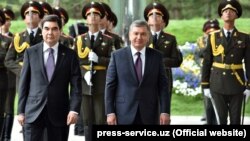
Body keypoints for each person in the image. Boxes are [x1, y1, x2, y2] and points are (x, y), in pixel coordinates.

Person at [17, 15, 82, 141]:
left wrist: (74, 110)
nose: (50, 33)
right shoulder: (31, 52)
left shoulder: (70, 55)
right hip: (33, 113)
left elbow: (76, 86)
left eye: (54, 29)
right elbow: (23, 83)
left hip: (60, 113)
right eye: (46, 29)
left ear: (60, 31)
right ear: (42, 31)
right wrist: (20, 111)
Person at [105, 20, 170, 125]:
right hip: (123, 112)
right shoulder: (117, 56)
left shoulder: (157, 56)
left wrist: (165, 111)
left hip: (150, 113)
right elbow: (110, 86)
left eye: (143, 34)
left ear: (148, 36)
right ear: (130, 35)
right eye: (136, 33)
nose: (139, 37)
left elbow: (163, 86)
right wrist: (110, 112)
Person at [201, 0, 250, 125]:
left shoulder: (244, 37)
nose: (228, 13)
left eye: (231, 11)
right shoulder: (213, 36)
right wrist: (205, 85)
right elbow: (207, 63)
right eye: (225, 11)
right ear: (221, 16)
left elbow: (249, 63)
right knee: (220, 121)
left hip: (236, 84)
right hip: (217, 84)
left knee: (236, 121)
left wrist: (249, 86)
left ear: (236, 15)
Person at [75, 2, 113, 141]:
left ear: (101, 18)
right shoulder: (79, 40)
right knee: (86, 120)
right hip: (85, 84)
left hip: (101, 83)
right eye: (89, 14)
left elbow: (113, 62)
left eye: (96, 14)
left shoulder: (108, 40)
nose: (92, 17)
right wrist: (84, 73)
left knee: (100, 118)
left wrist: (99, 59)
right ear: (86, 18)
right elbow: (74, 63)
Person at [144, 2, 183, 100]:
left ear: (163, 20)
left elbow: (177, 61)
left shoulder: (170, 39)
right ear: (147, 21)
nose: (154, 17)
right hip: (145, 79)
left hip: (164, 79)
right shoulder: (142, 37)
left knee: (163, 111)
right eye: (151, 15)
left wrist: (158, 61)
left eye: (158, 15)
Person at [196, 19, 220, 125]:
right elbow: (201, 53)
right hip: (205, 70)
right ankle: (208, 117)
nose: (211, 33)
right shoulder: (201, 40)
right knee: (206, 96)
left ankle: (216, 118)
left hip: (218, 71)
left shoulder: (221, 39)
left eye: (214, 31)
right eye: (208, 31)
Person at [0, 7, 16, 141]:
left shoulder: (9, 40)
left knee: (4, 110)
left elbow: (9, 60)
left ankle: (5, 137)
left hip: (4, 79)